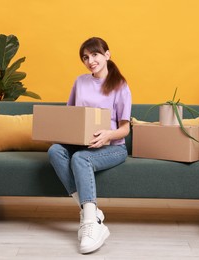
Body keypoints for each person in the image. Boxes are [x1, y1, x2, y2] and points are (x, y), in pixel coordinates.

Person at [48, 37, 132, 254]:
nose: (90, 60)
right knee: (55, 150)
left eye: (94, 54)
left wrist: (107, 135)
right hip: (82, 144)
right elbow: (71, 117)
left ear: (107, 54)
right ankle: (91, 214)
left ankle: (90, 224)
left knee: (80, 158)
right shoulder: (80, 82)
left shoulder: (120, 86)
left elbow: (125, 129)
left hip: (112, 147)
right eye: (85, 57)